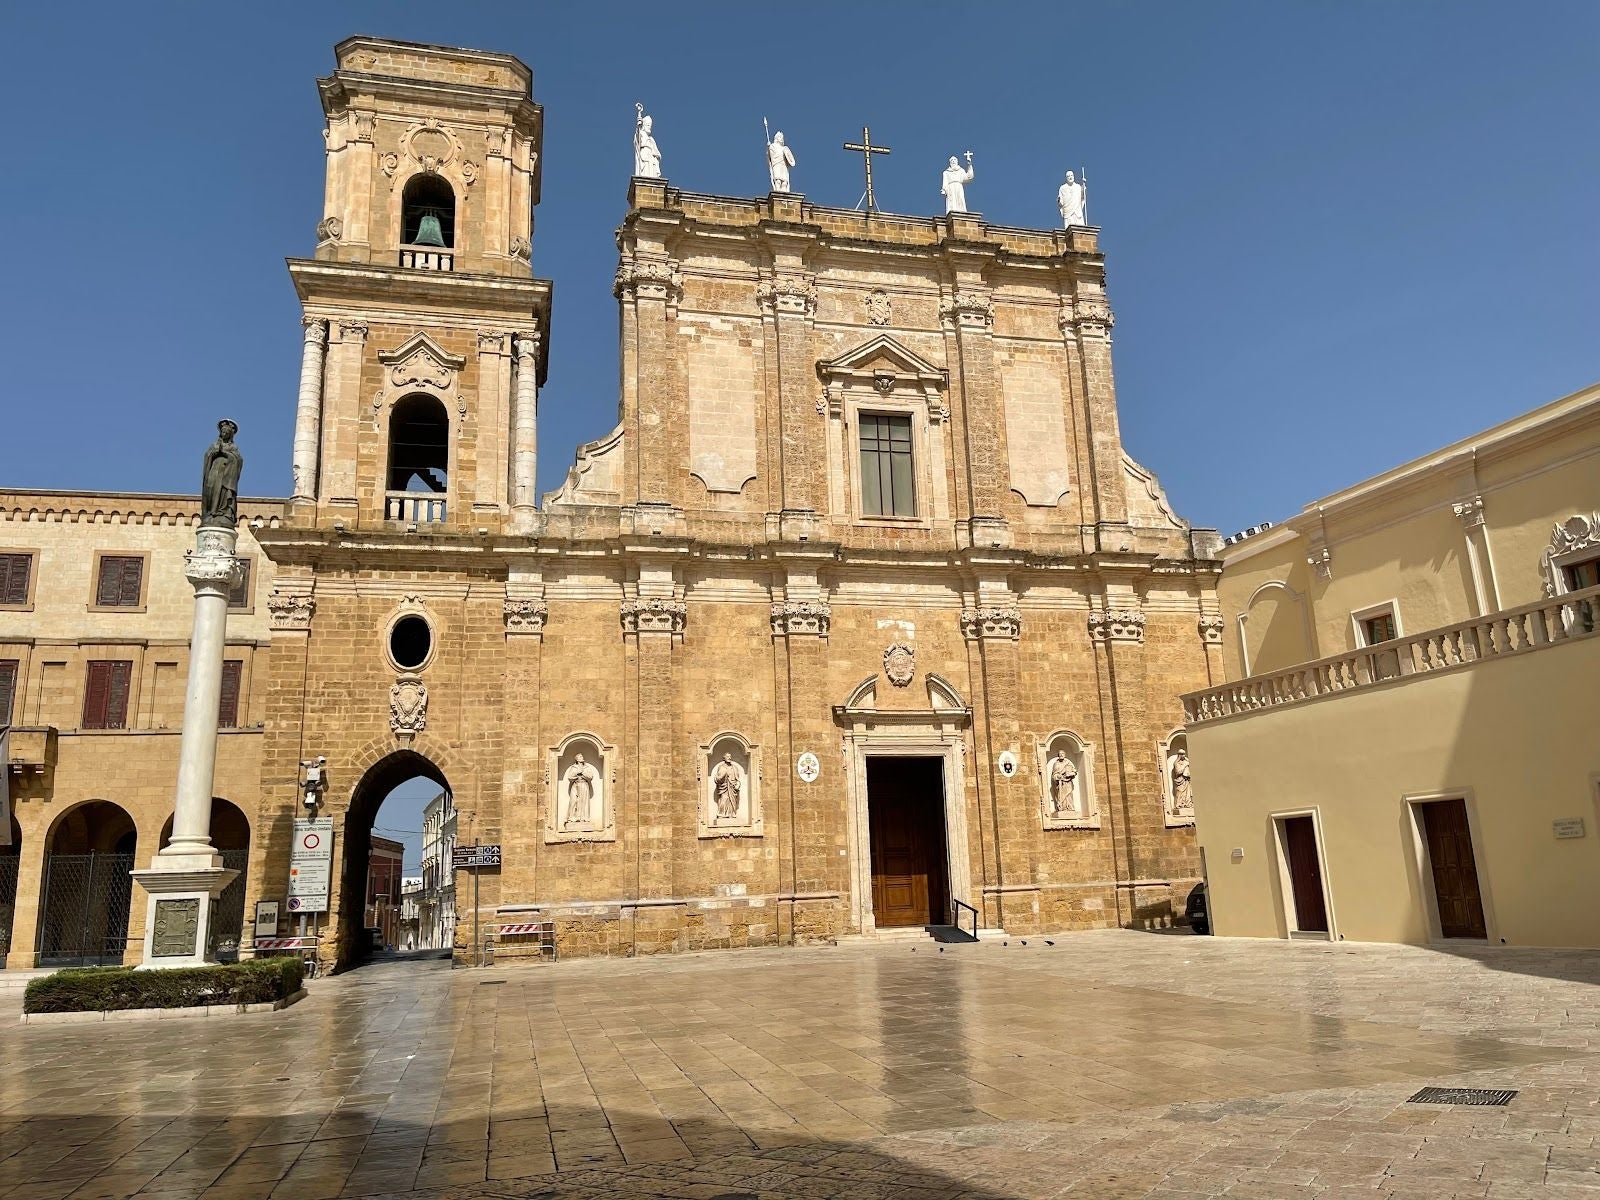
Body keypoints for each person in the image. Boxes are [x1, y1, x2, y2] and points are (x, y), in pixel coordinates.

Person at [200, 419, 243, 528]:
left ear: (230, 435)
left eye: (226, 433)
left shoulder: (233, 447)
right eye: (223, 432)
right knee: (211, 489)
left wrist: (223, 453)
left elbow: (237, 460)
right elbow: (207, 456)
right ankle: (210, 512)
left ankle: (221, 512)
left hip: (226, 475)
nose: (224, 434)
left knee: (223, 492)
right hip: (214, 471)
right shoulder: (214, 445)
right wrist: (212, 454)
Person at [633, 103, 662, 178]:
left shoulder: (651, 139)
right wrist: (638, 125)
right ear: (644, 125)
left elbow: (656, 152)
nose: (650, 128)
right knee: (646, 171)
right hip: (644, 155)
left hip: (651, 158)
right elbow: (637, 138)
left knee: (652, 172)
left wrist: (656, 156)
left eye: (650, 126)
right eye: (648, 125)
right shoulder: (641, 133)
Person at [712, 752, 742, 820]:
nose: (729, 758)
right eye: (728, 756)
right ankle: (721, 814)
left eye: (730, 756)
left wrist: (737, 784)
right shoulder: (721, 767)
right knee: (724, 799)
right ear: (724, 758)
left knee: (732, 802)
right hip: (724, 786)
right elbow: (718, 778)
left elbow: (737, 779)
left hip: (733, 787)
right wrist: (722, 776)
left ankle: (731, 814)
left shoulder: (734, 767)